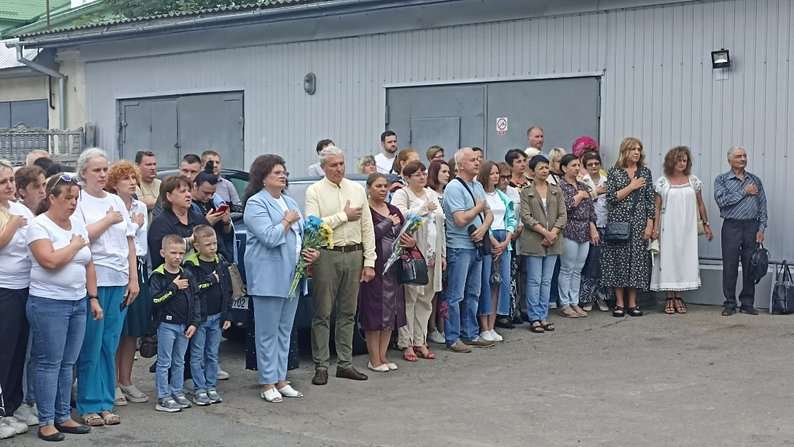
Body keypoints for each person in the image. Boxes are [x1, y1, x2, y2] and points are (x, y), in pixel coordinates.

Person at [27, 173, 101, 441]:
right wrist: (72, 246)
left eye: (76, 198)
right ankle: (45, 420)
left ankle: (62, 415)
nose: (72, 203)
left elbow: (88, 262)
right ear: (51, 198)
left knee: (68, 362)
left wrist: (92, 298)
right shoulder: (39, 226)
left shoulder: (77, 225)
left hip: (77, 301)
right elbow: (49, 260)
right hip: (48, 303)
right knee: (49, 362)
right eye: (67, 198)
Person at [243, 154, 319, 402]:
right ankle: (267, 382)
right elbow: (270, 237)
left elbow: (302, 236)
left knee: (285, 331)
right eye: (277, 172)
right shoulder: (256, 204)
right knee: (267, 332)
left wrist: (311, 251)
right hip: (268, 278)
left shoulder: (290, 201)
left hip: (292, 277)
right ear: (263, 178)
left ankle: (281, 378)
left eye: (284, 172)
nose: (283, 175)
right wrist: (286, 221)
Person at [72, 148, 138, 427]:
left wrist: (133, 279)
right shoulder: (80, 201)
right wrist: (108, 220)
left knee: (109, 344)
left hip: (119, 279)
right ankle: (88, 403)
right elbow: (81, 237)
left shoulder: (116, 200)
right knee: (92, 344)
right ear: (83, 173)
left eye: (105, 169)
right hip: (95, 281)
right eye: (96, 170)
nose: (102, 174)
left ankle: (106, 401)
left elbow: (129, 241)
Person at [305, 145, 376, 385]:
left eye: (341, 164)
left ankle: (345, 363)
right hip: (327, 254)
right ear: (323, 167)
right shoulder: (314, 191)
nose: (338, 168)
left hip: (354, 253)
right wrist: (343, 216)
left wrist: (370, 261)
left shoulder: (356, 189)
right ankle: (321, 365)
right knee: (322, 313)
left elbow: (367, 226)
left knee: (348, 312)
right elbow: (313, 225)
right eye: (333, 165)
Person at [105, 161, 151, 407]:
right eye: (126, 179)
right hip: (117, 270)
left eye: (134, 178)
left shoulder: (141, 205)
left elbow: (140, 244)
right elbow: (119, 238)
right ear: (114, 183)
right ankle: (110, 383)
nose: (132, 182)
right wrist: (134, 224)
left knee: (132, 330)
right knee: (116, 329)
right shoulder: (110, 206)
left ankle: (126, 380)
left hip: (139, 268)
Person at [442, 147, 494, 352]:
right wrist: (478, 209)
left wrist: (482, 229)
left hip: (476, 244)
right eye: (472, 160)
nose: (476, 162)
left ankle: (470, 333)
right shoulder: (454, 188)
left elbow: (489, 213)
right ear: (460, 165)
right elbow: (460, 219)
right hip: (459, 247)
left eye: (477, 159)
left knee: (474, 292)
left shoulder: (478, 185)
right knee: (456, 295)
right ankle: (453, 337)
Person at [391, 161, 445, 361]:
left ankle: (420, 340)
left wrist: (443, 254)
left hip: (433, 253)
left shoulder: (431, 193)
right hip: (413, 253)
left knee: (426, 299)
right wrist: (424, 208)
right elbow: (400, 215)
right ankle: (406, 343)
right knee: (410, 298)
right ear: (407, 177)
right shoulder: (402, 194)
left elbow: (441, 222)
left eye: (423, 173)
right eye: (417, 174)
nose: (422, 177)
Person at [651, 146, 713, 314]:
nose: (682, 163)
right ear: (671, 161)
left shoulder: (693, 181)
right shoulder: (662, 182)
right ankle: (669, 297)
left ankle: (679, 296)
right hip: (667, 227)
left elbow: (700, 203)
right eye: (678, 160)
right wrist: (655, 228)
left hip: (687, 228)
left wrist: (706, 224)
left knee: (684, 259)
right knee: (668, 260)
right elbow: (656, 207)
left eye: (685, 160)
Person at [0, 160, 35, 439]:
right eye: (3, 182)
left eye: (11, 180)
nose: (10, 186)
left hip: (26, 287)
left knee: (19, 351)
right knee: (3, 351)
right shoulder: (11, 216)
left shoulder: (21, 209)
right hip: (4, 290)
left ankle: (13, 405)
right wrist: (12, 225)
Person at [600, 137, 655, 317]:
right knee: (618, 262)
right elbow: (611, 198)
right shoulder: (615, 172)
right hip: (619, 224)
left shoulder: (645, 173)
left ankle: (633, 303)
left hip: (639, 223)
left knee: (636, 263)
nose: (636, 152)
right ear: (625, 151)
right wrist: (631, 186)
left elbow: (650, 202)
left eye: (639, 149)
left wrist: (649, 225)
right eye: (633, 149)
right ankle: (619, 303)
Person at [360, 173, 409, 371]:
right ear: (369, 188)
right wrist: (388, 222)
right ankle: (374, 359)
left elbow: (404, 231)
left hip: (394, 268)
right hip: (375, 267)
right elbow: (369, 235)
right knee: (375, 314)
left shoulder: (394, 209)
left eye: (385, 186)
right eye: (378, 186)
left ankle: (383, 356)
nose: (382, 189)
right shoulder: (366, 210)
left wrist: (410, 241)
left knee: (391, 313)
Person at [714, 146, 767, 316]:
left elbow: (763, 206)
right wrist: (744, 192)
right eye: (738, 156)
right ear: (730, 160)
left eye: (744, 156)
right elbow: (722, 201)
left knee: (750, 266)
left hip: (752, 227)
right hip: (732, 226)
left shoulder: (755, 180)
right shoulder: (721, 180)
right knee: (730, 266)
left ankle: (747, 303)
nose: (743, 159)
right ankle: (729, 303)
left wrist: (761, 228)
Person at [149, 235, 200, 413]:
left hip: (184, 326)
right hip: (166, 325)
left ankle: (176, 391)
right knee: (165, 362)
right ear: (163, 253)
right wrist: (174, 287)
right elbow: (155, 301)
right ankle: (163, 396)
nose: (178, 257)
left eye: (181, 253)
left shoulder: (187, 274)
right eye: (173, 252)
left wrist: (194, 322)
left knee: (179, 361)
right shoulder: (158, 275)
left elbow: (195, 298)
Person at [183, 225, 232, 406]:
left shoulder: (220, 261)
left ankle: (211, 386)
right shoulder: (191, 265)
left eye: (214, 243)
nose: (212, 247)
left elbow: (227, 289)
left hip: (217, 316)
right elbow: (193, 289)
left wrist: (228, 314)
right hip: (200, 318)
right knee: (197, 354)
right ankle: (199, 388)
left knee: (212, 353)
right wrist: (210, 280)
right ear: (196, 246)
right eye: (207, 244)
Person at [519, 155, 566, 333]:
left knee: (546, 281)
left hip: (553, 240)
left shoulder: (556, 190)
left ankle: (543, 315)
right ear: (532, 171)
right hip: (534, 240)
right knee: (534, 280)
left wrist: (553, 232)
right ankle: (534, 317)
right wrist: (544, 232)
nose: (545, 171)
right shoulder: (526, 191)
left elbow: (563, 214)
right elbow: (526, 216)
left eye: (547, 167)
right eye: (541, 168)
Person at [477, 161, 515, 341]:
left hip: (504, 241)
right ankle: (483, 326)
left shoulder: (502, 196)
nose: (496, 176)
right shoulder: (480, 194)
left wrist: (507, 239)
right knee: (487, 281)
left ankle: (492, 325)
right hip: (489, 239)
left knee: (500, 283)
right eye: (492, 173)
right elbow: (482, 219)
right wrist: (491, 240)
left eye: (497, 173)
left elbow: (511, 218)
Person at [557, 154, 598, 318]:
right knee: (567, 267)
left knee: (578, 268)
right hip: (569, 227)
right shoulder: (560, 186)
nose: (576, 168)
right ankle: (564, 303)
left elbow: (590, 209)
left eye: (577, 165)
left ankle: (575, 301)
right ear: (564, 168)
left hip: (584, 228)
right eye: (573, 165)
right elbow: (563, 206)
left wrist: (592, 226)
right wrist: (578, 196)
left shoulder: (583, 185)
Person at [147, 176, 209, 272]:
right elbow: (160, 257)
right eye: (183, 191)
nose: (188, 195)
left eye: (189, 191)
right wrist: (191, 241)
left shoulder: (199, 218)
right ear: (169, 196)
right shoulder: (160, 224)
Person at [578, 151, 610, 312]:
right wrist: (595, 193)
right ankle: (586, 298)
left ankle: (602, 297)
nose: (593, 167)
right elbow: (584, 205)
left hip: (606, 225)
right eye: (590, 164)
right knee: (590, 264)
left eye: (596, 163)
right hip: (591, 227)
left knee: (603, 264)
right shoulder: (583, 182)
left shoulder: (607, 180)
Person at [426, 159, 450, 344]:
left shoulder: (448, 193)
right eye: (443, 171)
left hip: (449, 243)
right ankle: (431, 326)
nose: (447, 174)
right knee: (432, 291)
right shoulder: (430, 195)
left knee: (444, 290)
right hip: (434, 244)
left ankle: (443, 326)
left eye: (448, 171)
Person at [496, 161, 523, 328]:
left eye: (508, 177)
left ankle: (509, 311)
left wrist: (517, 229)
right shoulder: (491, 193)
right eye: (502, 177)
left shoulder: (513, 192)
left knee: (511, 278)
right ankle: (497, 314)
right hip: (497, 239)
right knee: (496, 279)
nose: (505, 181)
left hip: (513, 238)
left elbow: (518, 215)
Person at [191, 171, 234, 262]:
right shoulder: (188, 207)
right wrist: (206, 223)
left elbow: (225, 234)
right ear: (195, 186)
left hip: (220, 256)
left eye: (212, 193)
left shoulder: (214, 202)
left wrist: (226, 223)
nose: (209, 196)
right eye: (205, 193)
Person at [134, 150, 161, 217]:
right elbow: (141, 204)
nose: (153, 168)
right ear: (137, 166)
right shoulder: (133, 184)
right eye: (148, 165)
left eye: (154, 164)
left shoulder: (160, 183)